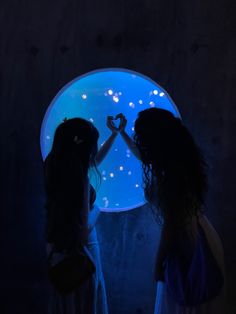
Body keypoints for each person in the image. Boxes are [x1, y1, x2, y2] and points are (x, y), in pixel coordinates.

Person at [116, 108, 226, 314]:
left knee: (184, 301)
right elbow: (144, 157)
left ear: (154, 141)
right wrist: (121, 133)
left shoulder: (172, 174)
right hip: (198, 236)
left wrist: (158, 265)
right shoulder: (177, 162)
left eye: (142, 138)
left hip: (189, 245)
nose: (140, 142)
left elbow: (172, 223)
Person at [44, 116, 120, 314]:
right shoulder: (81, 179)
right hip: (84, 251)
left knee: (66, 299)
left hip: (56, 248)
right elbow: (84, 231)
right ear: (84, 148)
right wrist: (98, 209)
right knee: (86, 301)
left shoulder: (54, 167)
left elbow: (94, 160)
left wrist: (114, 135)